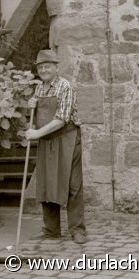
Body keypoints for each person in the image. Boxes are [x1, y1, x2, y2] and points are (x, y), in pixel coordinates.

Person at [25, 50, 87, 244]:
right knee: (46, 182)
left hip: (67, 137)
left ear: (56, 67)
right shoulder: (39, 89)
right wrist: (31, 108)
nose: (43, 70)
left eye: (47, 66)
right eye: (40, 67)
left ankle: (77, 229)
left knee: (73, 185)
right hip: (47, 140)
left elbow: (61, 119)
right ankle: (51, 229)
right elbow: (41, 118)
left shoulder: (64, 86)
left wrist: (36, 134)